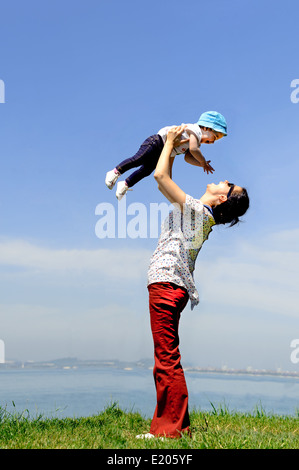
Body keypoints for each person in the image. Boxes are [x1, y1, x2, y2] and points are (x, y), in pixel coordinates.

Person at [136, 125, 249, 440]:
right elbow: (166, 177)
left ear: (223, 197)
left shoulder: (198, 211)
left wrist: (170, 143)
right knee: (165, 357)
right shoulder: (198, 213)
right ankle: (171, 426)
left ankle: (170, 430)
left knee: (166, 358)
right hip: (172, 286)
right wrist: (168, 152)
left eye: (229, 184)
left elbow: (160, 179)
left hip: (167, 284)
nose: (223, 178)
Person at [105, 111, 227, 201]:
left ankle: (125, 184)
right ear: (206, 127)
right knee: (138, 159)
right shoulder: (195, 131)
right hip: (156, 142)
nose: (213, 142)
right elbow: (194, 150)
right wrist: (203, 161)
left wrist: (200, 164)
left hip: (162, 152)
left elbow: (188, 158)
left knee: (146, 170)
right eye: (214, 137)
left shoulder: (196, 141)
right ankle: (116, 171)